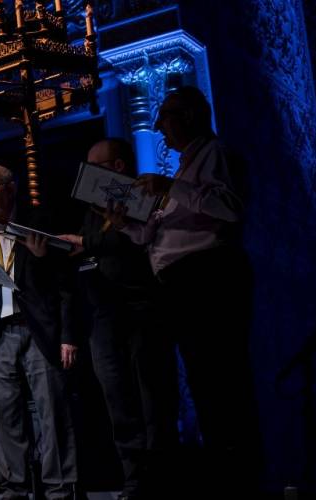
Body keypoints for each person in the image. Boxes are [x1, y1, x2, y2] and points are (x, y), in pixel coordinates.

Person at [114, 86, 259, 494]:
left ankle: (239, 474)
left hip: (209, 277)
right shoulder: (179, 169)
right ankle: (220, 470)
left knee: (222, 379)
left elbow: (229, 207)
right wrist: (123, 221)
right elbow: (148, 237)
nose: (159, 127)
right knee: (201, 380)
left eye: (166, 117)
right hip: (180, 284)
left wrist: (169, 187)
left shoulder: (214, 154)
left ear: (191, 117)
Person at [0, 163, 81, 499]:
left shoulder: (40, 224)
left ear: (11, 188)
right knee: (4, 416)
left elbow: (65, 285)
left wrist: (68, 336)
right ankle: (15, 489)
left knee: (52, 411)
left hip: (40, 331)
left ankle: (59, 488)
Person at [57, 139, 176, 499]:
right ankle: (134, 479)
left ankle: (162, 477)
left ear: (119, 167)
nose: (90, 172)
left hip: (141, 305)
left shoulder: (142, 196)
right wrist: (79, 242)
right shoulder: (93, 208)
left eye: (97, 165)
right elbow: (93, 245)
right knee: (118, 399)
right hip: (103, 313)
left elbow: (136, 242)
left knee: (152, 395)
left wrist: (90, 241)